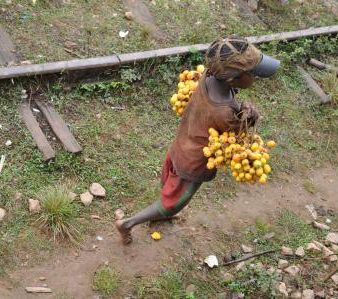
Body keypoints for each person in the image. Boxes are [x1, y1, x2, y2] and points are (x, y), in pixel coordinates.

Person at [116, 37, 280, 245]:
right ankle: (128, 223)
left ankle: (159, 210)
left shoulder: (208, 77)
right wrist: (250, 117)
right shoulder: (225, 113)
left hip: (182, 142)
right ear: (232, 79)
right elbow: (238, 137)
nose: (256, 77)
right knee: (174, 203)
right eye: (253, 73)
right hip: (193, 161)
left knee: (170, 184)